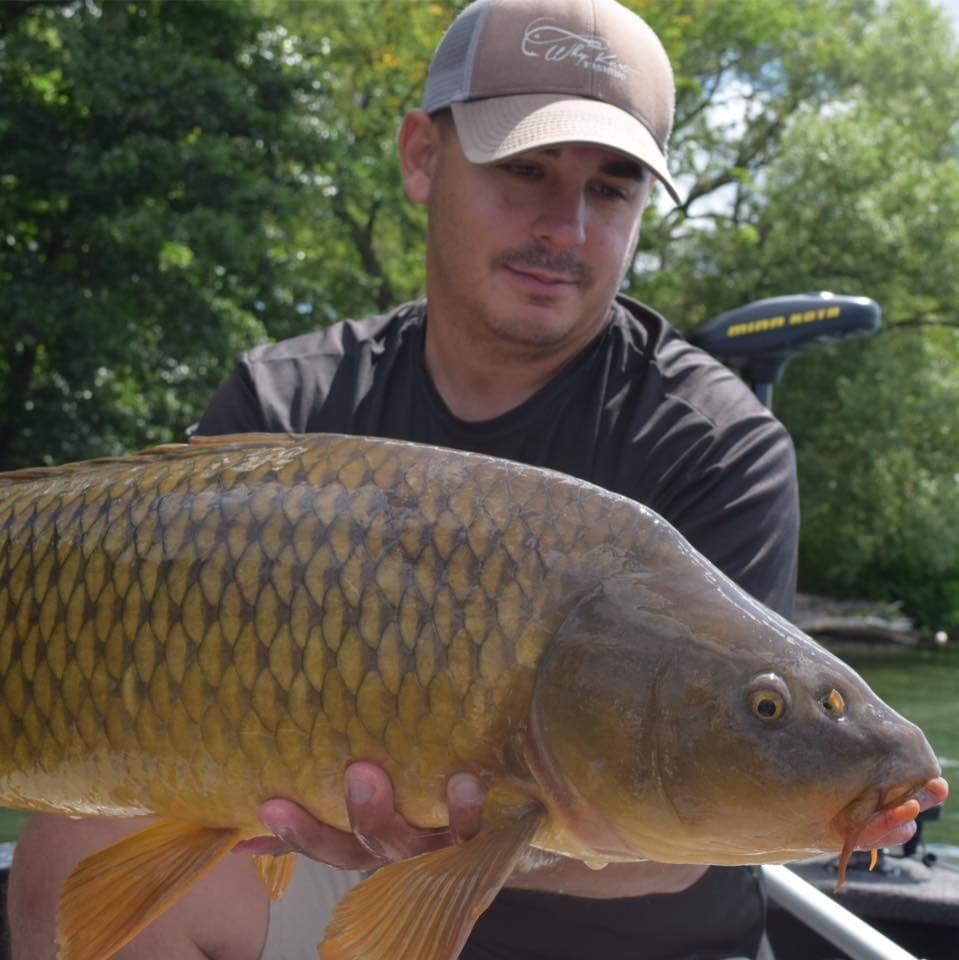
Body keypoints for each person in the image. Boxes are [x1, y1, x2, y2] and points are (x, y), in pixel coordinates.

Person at [7, 0, 929, 958]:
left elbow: (671, 852)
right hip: (324, 893)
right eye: (524, 170)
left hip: (632, 940)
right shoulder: (288, 398)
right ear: (422, 156)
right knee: (80, 831)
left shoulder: (717, 443)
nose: (563, 226)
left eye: (610, 190)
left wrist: (468, 842)